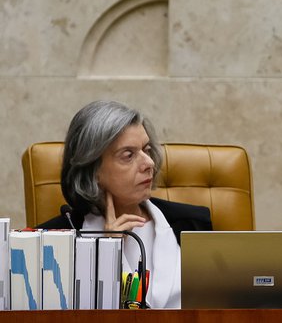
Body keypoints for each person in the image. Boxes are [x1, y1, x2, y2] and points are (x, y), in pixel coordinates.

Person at [38, 100, 212, 308]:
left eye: (146, 150)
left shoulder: (193, 223)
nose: (149, 163)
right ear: (93, 170)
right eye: (128, 155)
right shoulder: (54, 240)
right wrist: (106, 253)